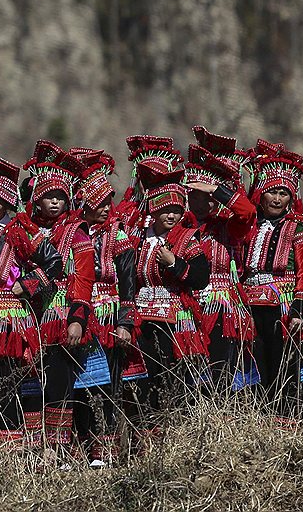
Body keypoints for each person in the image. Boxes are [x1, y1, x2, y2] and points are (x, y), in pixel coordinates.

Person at [0, 149, 62, 440]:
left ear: (7, 202)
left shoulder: (18, 230)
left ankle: (5, 448)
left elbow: (54, 262)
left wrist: (29, 283)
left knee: (5, 380)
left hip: (8, 318)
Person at [124, 135, 209, 425]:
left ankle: (172, 435)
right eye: (165, 210)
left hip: (174, 318)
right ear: (153, 209)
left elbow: (200, 277)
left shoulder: (186, 237)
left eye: (176, 210)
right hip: (141, 318)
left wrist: (175, 264)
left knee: (172, 377)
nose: (171, 215)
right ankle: (143, 437)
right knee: (142, 379)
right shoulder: (138, 235)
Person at [21, 140, 94, 455]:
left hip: (59, 316)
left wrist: (78, 319)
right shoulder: (22, 230)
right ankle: (32, 449)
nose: (54, 202)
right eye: (49, 196)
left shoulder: (77, 233)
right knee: (28, 382)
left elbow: (84, 278)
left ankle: (59, 450)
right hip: (25, 316)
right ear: (37, 198)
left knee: (59, 382)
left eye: (61, 197)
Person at [69, 146, 136, 467]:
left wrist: (125, 322)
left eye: (107, 201)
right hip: (75, 314)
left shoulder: (118, 237)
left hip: (108, 317)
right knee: (77, 384)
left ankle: (105, 449)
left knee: (107, 382)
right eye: (97, 204)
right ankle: (81, 444)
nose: (105, 208)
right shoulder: (70, 234)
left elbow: (128, 283)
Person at [240, 140, 303, 415]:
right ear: (260, 193)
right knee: (254, 362)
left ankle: (285, 420)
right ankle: (257, 417)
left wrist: (299, 310)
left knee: (283, 363)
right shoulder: (250, 226)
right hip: (250, 305)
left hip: (281, 307)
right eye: (271, 191)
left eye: (283, 193)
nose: (276, 199)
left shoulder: (300, 228)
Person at [183, 128, 256, 390]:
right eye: (195, 193)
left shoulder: (227, 225)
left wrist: (216, 189)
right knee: (189, 373)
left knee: (221, 371)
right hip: (187, 305)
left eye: (208, 196)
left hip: (219, 305)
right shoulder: (179, 227)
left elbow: (247, 213)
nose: (203, 201)